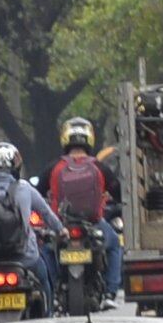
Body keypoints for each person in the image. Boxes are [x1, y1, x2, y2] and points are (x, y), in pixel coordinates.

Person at [0, 139, 66, 313]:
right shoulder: (25, 188)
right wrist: (61, 231)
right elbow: (47, 214)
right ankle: (48, 317)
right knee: (44, 281)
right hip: (26, 258)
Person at [43, 117, 120, 302]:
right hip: (94, 223)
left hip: (61, 225)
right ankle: (110, 291)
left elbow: (36, 192)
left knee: (46, 249)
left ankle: (53, 289)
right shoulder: (99, 166)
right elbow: (117, 192)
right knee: (115, 245)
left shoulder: (54, 167)